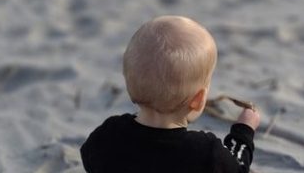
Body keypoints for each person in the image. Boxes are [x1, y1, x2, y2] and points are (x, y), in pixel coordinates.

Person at [80, 15, 261, 172]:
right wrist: (243, 131)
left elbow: (88, 157)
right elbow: (237, 167)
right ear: (198, 100)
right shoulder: (206, 153)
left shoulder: (109, 134)